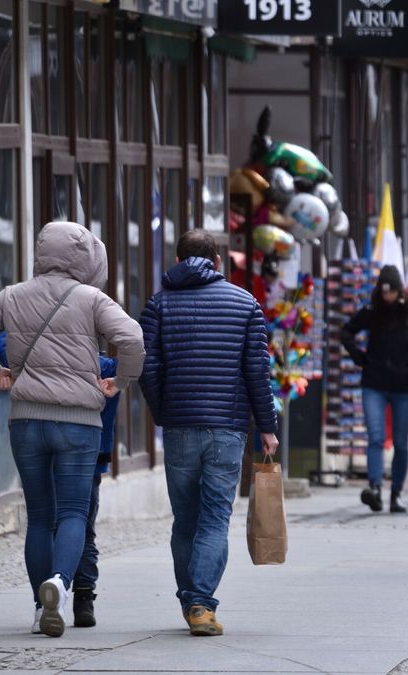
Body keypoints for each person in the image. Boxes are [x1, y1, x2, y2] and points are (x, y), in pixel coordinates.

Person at [0, 221, 144, 637]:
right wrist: (120, 382)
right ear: (86, 258)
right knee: (74, 511)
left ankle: (41, 609)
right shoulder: (93, 299)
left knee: (39, 516)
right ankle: (59, 581)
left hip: (26, 420)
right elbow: (131, 337)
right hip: (78, 423)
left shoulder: (13, 295)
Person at [138, 229, 280, 637]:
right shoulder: (244, 303)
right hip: (227, 428)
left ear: (179, 259)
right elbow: (257, 372)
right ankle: (200, 603)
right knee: (215, 518)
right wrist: (267, 427)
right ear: (217, 261)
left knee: (185, 519)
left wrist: (164, 410)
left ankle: (191, 600)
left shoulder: (159, 304)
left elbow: (148, 367)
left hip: (180, 427)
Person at [0, 334, 120, 629]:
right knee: (80, 522)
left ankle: (43, 605)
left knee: (42, 521)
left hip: (34, 432)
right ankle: (81, 597)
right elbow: (133, 344)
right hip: (86, 453)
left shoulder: (33, 358)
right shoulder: (102, 366)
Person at [340, 265, 408, 513]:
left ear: (400, 291)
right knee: (376, 437)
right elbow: (346, 332)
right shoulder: (372, 311)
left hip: (404, 387)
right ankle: (376, 489)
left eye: (392, 292)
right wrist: (360, 358)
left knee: (401, 442)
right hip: (374, 383)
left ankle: (397, 493)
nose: (388, 297)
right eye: (384, 292)